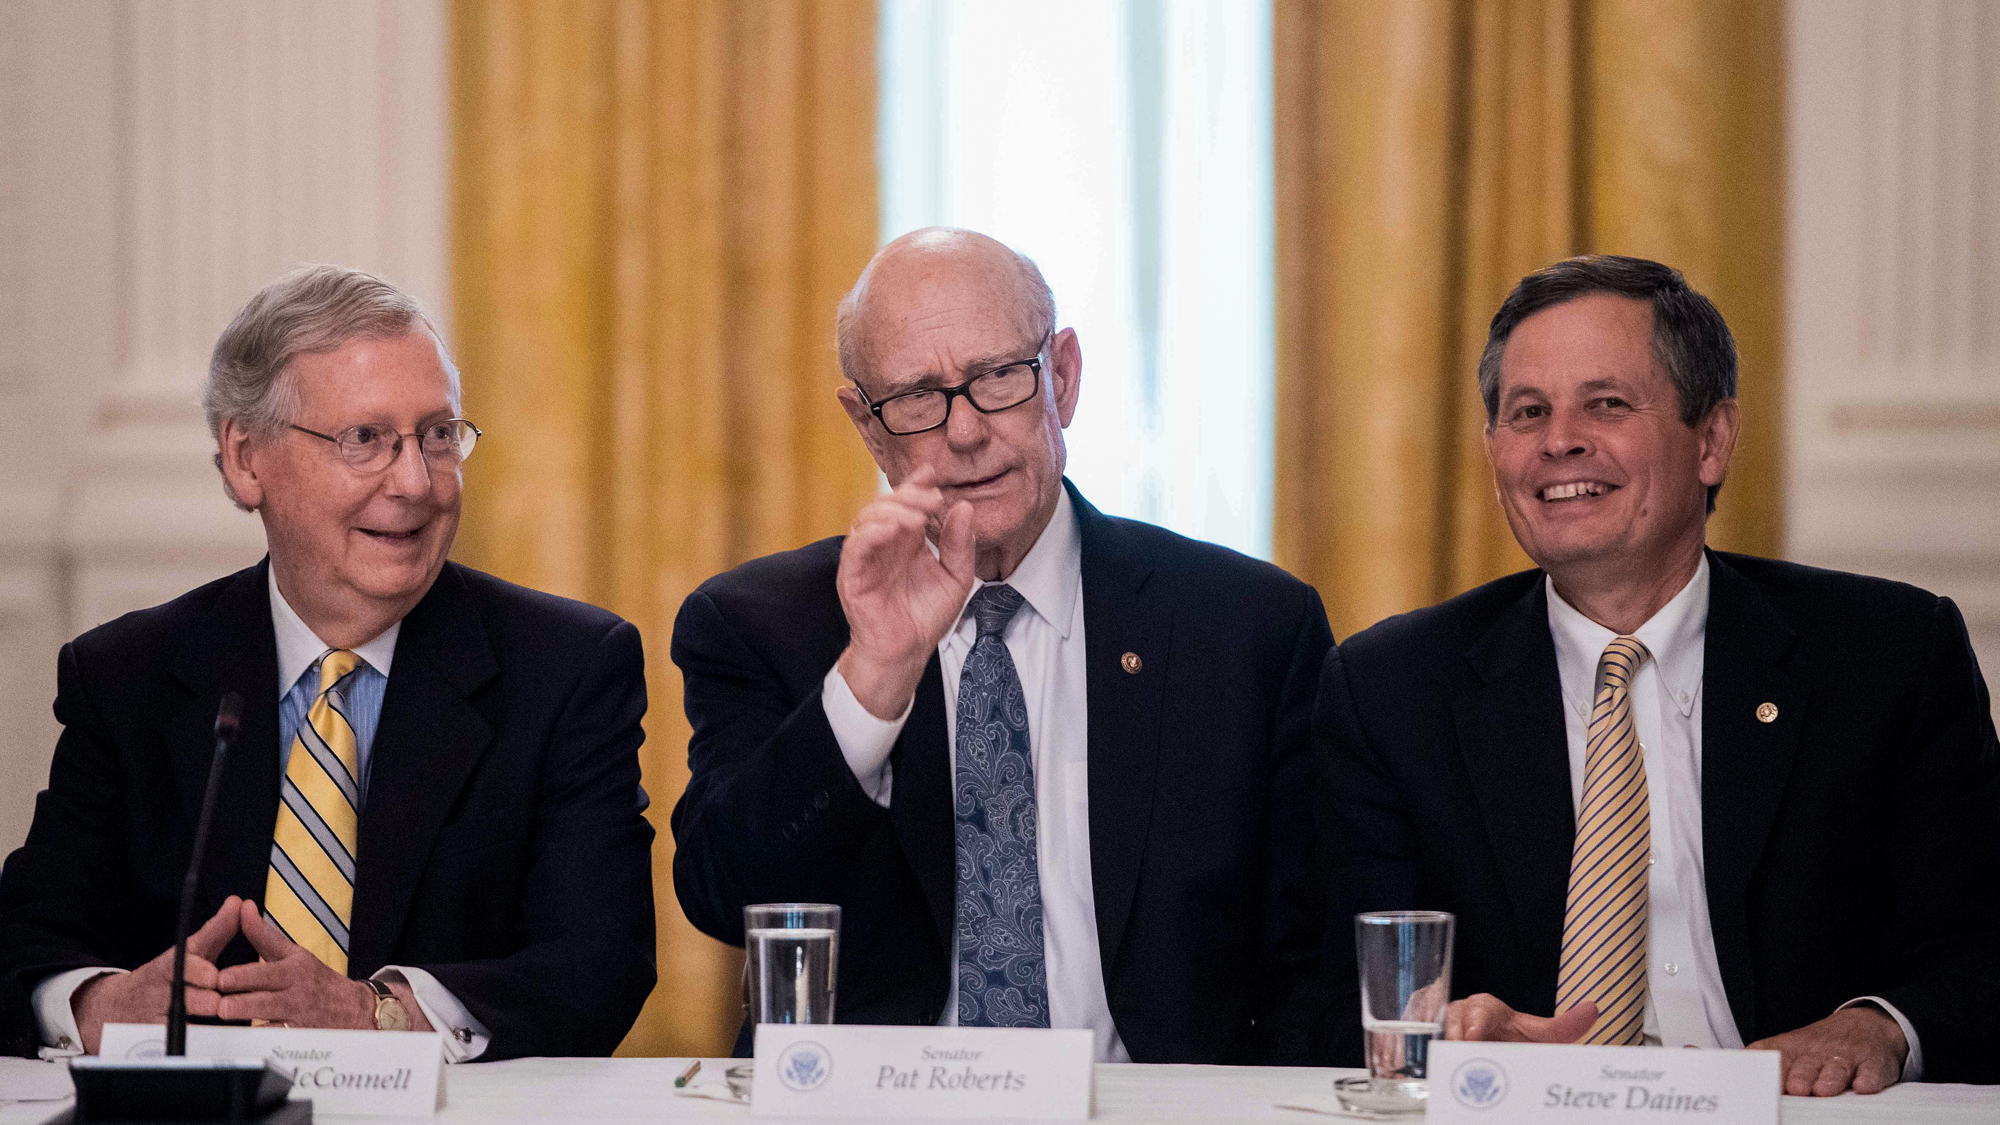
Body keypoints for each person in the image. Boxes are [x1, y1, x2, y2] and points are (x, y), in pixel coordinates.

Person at [1317, 255, 2000, 1093]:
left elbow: (1980, 941)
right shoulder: (1391, 687)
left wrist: (1880, 1023)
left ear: (1711, 441)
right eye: (1527, 411)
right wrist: (1453, 1031)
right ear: (1494, 455)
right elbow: (1331, 982)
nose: (1559, 439)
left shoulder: (1889, 654)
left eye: (1605, 403)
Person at [671, 228, 1331, 1063]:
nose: (966, 432)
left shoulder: (1245, 629)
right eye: (917, 396)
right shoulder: (761, 623)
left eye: (997, 380)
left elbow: (1308, 967)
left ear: (1061, 376)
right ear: (868, 426)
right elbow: (724, 896)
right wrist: (872, 676)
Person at [0, 265, 656, 1062]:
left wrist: (379, 1015)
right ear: (247, 460)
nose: (416, 482)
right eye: (365, 440)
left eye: (438, 435)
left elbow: (599, 968)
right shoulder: (128, 676)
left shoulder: (567, 669)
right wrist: (99, 1003)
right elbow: (23, 945)